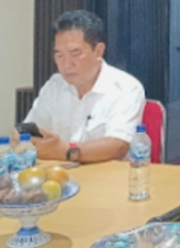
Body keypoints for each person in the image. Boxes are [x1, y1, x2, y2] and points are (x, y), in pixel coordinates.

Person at [19, 10, 146, 164]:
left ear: (98, 51)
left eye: (75, 53)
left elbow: (118, 146)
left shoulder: (126, 88)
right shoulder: (54, 86)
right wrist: (21, 138)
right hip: (60, 175)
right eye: (59, 55)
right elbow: (29, 132)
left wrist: (67, 152)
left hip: (107, 176)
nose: (67, 64)